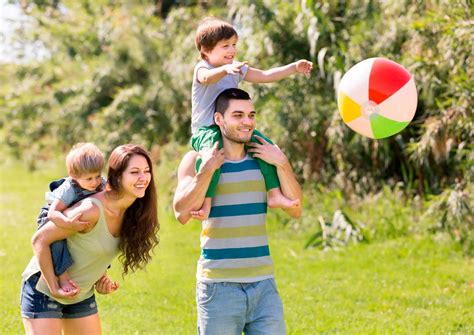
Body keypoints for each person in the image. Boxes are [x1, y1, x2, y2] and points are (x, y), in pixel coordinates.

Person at [174, 88, 303, 334]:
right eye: (238, 115)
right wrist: (207, 171)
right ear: (219, 119)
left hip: (263, 284)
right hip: (218, 287)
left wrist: (283, 162)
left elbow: (296, 208)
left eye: (251, 115)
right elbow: (180, 212)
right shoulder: (196, 159)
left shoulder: (264, 159)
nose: (247, 122)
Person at [21, 144, 159, 335]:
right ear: (117, 176)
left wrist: (100, 277)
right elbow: (39, 239)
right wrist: (53, 286)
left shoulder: (133, 213)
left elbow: (95, 247)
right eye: (134, 172)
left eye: (146, 171)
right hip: (44, 290)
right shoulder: (90, 209)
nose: (143, 178)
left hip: (81, 293)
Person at [191, 16, 311, 220]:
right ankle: (206, 203)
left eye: (234, 45)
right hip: (207, 130)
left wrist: (293, 68)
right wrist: (224, 70)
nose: (232, 50)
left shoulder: (236, 67)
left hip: (232, 127)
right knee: (210, 157)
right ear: (205, 50)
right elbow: (206, 79)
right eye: (225, 46)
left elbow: (264, 76)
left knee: (264, 146)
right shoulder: (204, 68)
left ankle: (274, 194)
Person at [36, 142, 107, 296]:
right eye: (89, 179)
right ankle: (62, 276)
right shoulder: (69, 188)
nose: (95, 182)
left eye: (97, 176)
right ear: (74, 176)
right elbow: (52, 213)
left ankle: (100, 274)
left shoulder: (100, 183)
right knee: (57, 243)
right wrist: (68, 224)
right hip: (55, 216)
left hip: (72, 215)